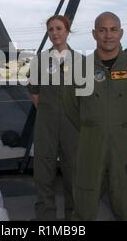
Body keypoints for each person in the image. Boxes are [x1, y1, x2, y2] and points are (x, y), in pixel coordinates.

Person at [63, 12, 127, 221]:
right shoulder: (79, 69)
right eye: (102, 30)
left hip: (126, 145)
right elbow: (70, 106)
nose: (108, 35)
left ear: (121, 33)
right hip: (90, 144)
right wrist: (93, 126)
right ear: (94, 34)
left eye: (113, 29)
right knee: (84, 202)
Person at [27, 15, 80, 220]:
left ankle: (73, 218)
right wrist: (49, 110)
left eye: (59, 28)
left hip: (72, 126)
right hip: (46, 124)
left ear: (67, 30)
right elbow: (33, 91)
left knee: (73, 173)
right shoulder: (39, 61)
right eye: (51, 30)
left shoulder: (81, 61)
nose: (55, 33)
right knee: (43, 173)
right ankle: (46, 218)